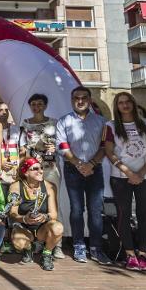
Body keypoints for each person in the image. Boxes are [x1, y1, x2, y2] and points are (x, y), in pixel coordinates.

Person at [104, 92, 146, 272]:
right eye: (120, 102)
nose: (125, 105)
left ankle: (143, 255)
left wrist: (141, 173)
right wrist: (129, 172)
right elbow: (109, 152)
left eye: (128, 101)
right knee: (124, 214)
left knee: (145, 216)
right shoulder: (111, 126)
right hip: (121, 178)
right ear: (117, 106)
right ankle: (130, 255)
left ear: (133, 103)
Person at [56, 86, 111, 265]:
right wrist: (79, 164)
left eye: (84, 97)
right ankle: (78, 245)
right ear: (72, 100)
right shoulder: (63, 121)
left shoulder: (101, 121)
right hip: (73, 170)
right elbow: (63, 147)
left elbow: (105, 147)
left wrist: (91, 164)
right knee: (77, 210)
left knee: (96, 210)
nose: (80, 101)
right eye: (76, 98)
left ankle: (96, 248)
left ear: (90, 100)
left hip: (95, 170)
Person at [19, 93, 65, 259]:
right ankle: (39, 241)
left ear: (45, 105)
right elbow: (22, 149)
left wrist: (56, 149)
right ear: (30, 107)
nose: (36, 107)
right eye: (33, 104)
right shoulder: (25, 124)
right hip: (32, 170)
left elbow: (62, 144)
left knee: (53, 206)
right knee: (34, 205)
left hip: (50, 169)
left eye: (39, 104)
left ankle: (56, 244)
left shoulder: (54, 122)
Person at [8, 158, 64, 271]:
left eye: (41, 168)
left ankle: (46, 254)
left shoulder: (50, 186)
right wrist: (24, 219)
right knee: (18, 242)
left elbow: (53, 215)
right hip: (24, 227)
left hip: (42, 227)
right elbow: (12, 213)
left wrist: (44, 217)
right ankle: (29, 249)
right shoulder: (16, 186)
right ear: (25, 172)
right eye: (35, 169)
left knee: (58, 227)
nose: (41, 171)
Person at [0, 101, 23, 187]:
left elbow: (23, 152)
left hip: (15, 174)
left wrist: (20, 170)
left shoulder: (18, 129)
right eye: (0, 110)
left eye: (6, 110)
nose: (4, 112)